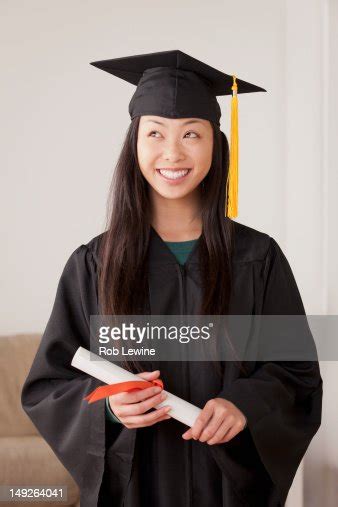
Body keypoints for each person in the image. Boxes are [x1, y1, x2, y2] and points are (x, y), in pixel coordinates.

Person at [21, 50, 323, 507]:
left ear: (216, 145)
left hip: (227, 486)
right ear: (134, 144)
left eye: (191, 134)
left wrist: (245, 402)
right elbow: (49, 384)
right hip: (136, 486)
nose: (173, 152)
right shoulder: (93, 263)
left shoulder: (258, 258)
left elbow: (296, 371)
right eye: (155, 132)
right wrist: (108, 406)